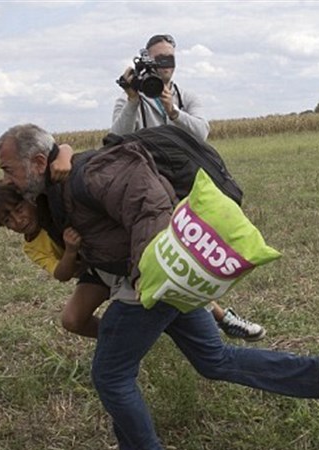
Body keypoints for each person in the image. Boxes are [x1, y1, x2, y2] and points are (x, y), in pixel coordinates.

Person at [0, 123, 319, 450]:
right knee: (214, 360)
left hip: (149, 283)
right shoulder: (55, 183)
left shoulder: (90, 172)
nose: (6, 179)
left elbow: (147, 202)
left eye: (8, 169)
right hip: (165, 280)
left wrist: (144, 273)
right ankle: (316, 374)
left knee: (110, 375)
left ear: (38, 161)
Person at [112, 33, 265, 342]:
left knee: (192, 253)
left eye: (169, 58)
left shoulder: (186, 96)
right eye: (158, 59)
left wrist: (174, 112)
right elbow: (115, 139)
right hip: (147, 186)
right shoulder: (130, 99)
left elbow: (202, 133)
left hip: (185, 183)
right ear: (146, 62)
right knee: (173, 255)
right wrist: (132, 100)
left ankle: (209, 318)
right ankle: (219, 317)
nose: (165, 65)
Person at [0, 180, 109, 338]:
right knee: (71, 320)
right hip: (93, 273)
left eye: (19, 209)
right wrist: (70, 252)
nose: (18, 220)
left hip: (110, 256)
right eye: (7, 220)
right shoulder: (31, 246)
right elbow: (61, 274)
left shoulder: (55, 207)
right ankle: (117, 337)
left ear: (31, 199)